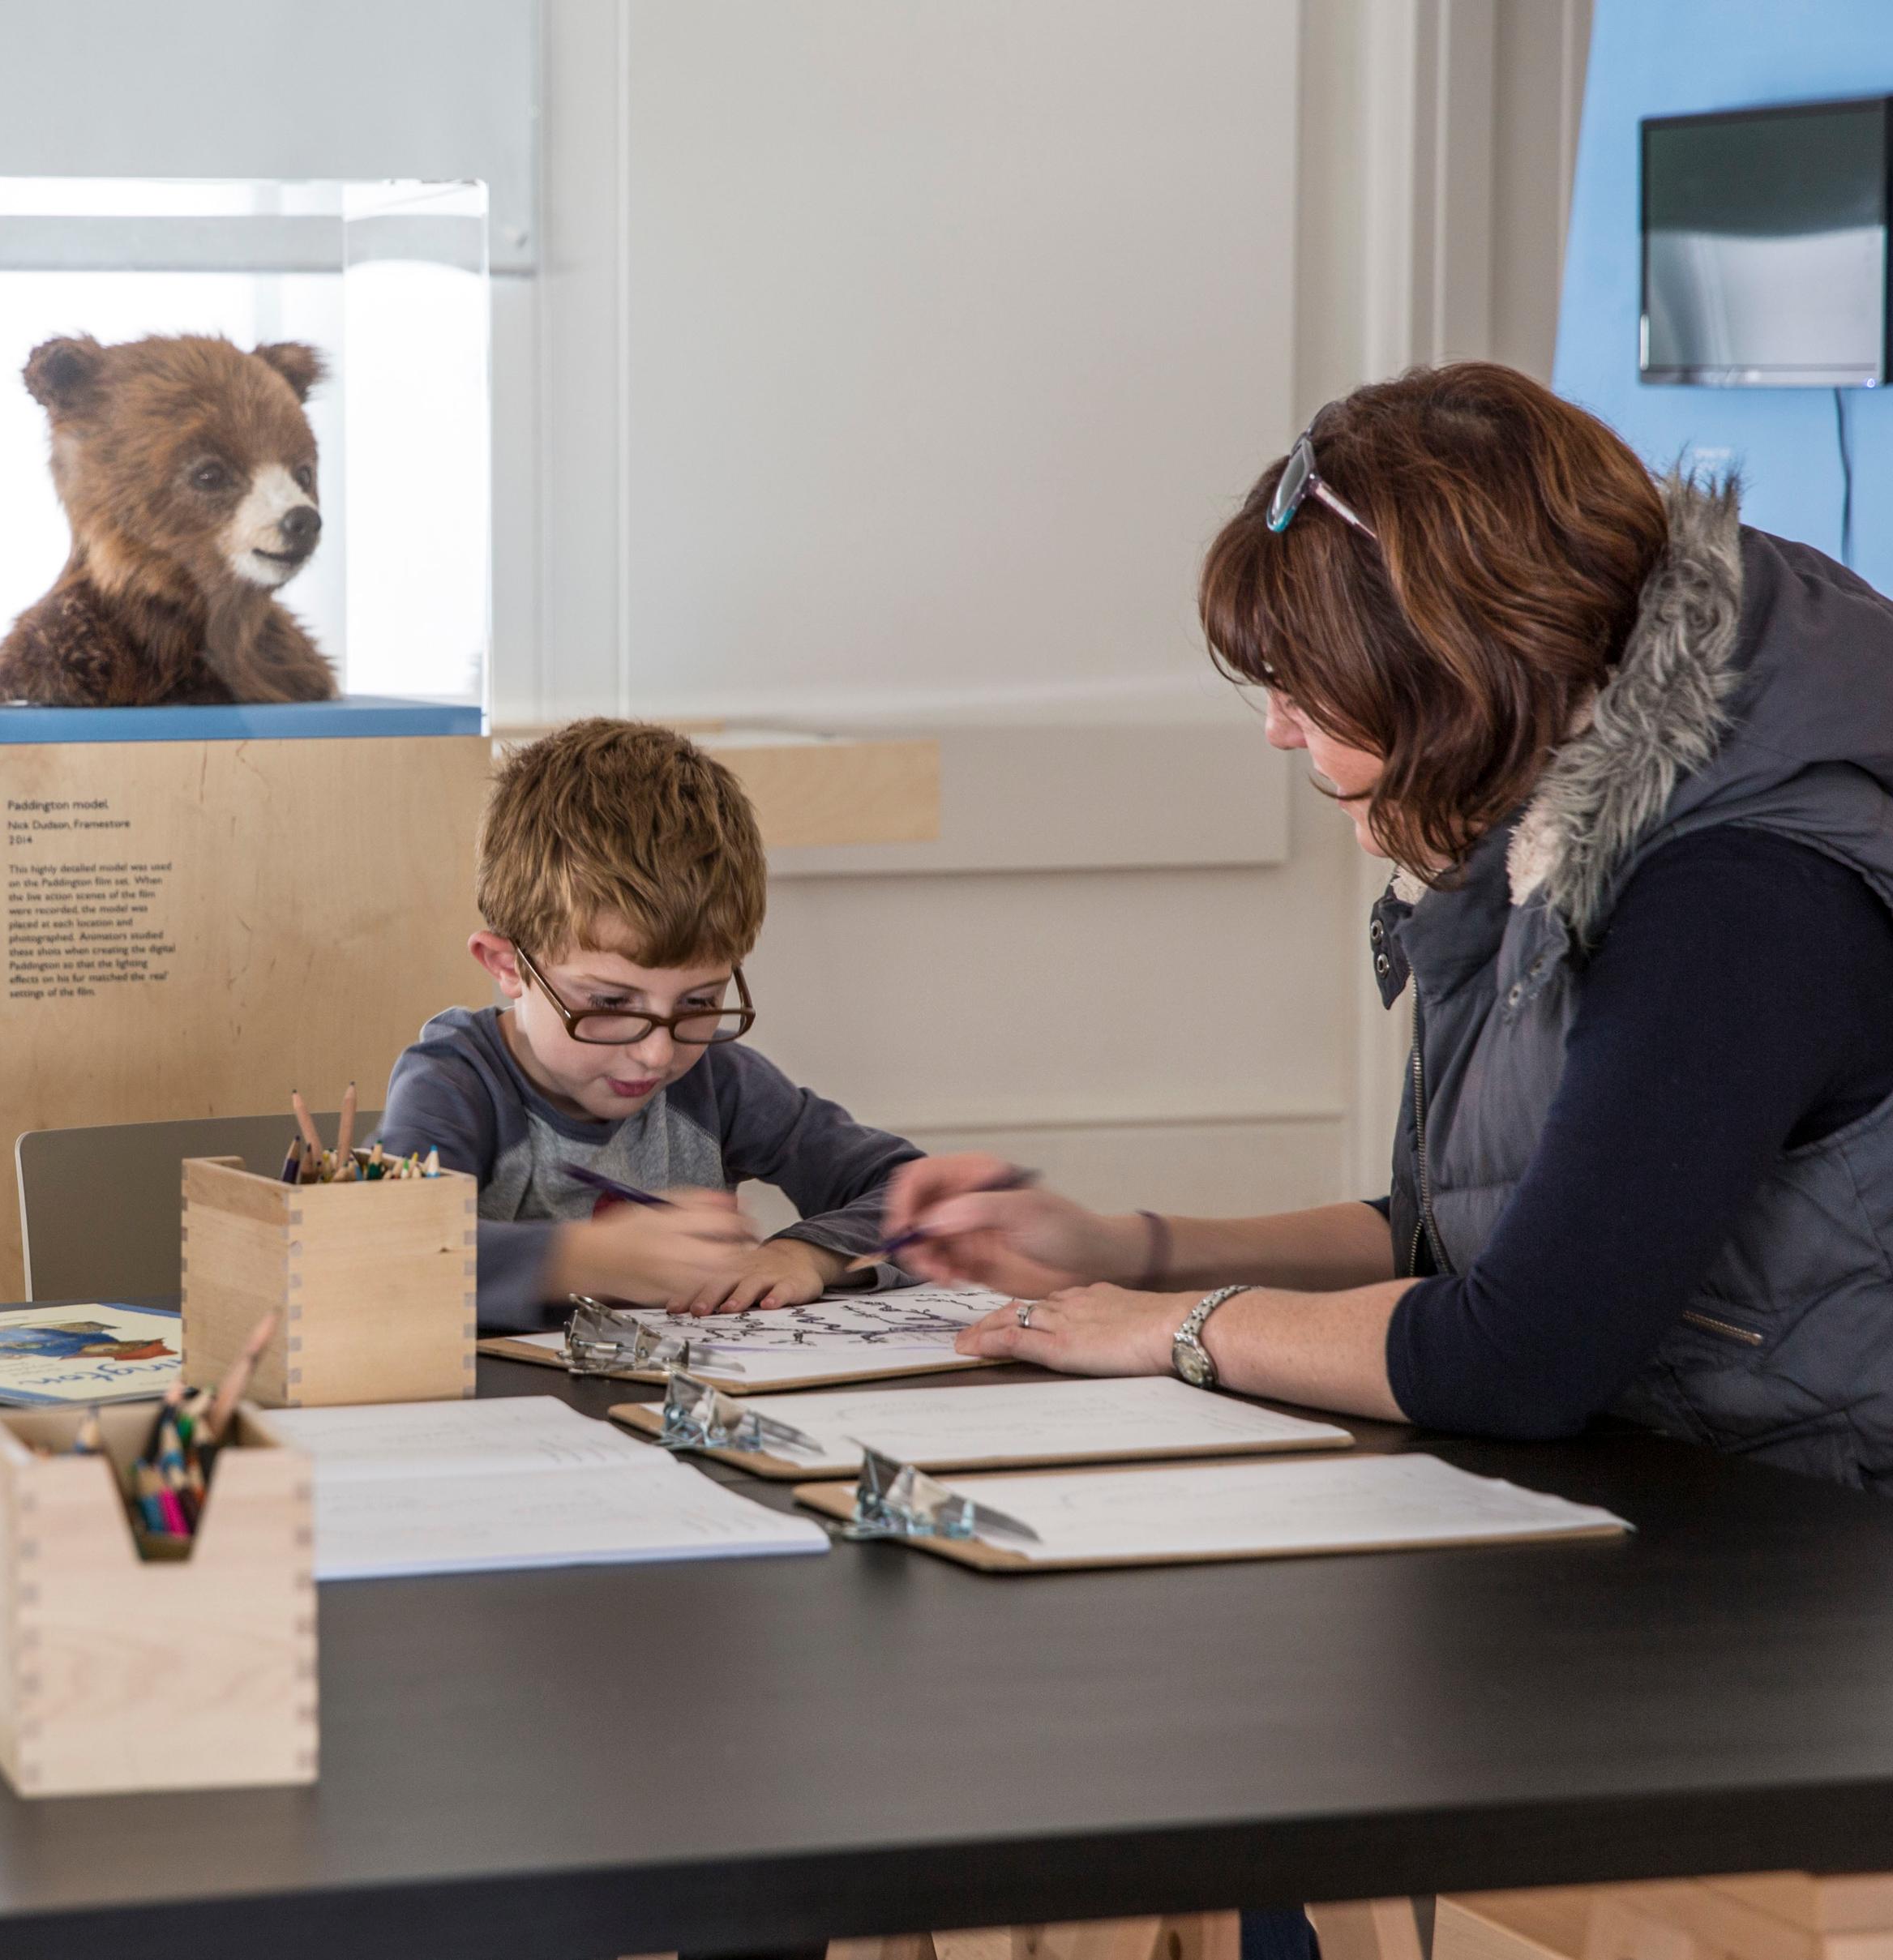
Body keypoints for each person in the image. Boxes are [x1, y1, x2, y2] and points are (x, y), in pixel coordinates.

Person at [884, 362, 1893, 1491]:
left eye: (1301, 683)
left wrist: (1176, 1328)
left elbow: (1523, 1352)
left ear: (1448, 678)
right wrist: (1126, 1252)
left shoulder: (1738, 899)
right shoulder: (1563, 824)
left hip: (1829, 1555)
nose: (1277, 729)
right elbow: (1454, 1240)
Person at [375, 717, 921, 1333]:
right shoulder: (453, 1084)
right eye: (610, 1003)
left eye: (698, 1001)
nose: (657, 1055)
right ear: (507, 966)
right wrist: (581, 1260)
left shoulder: (719, 1082)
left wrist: (807, 1255)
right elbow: (383, 1252)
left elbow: (914, 1193)